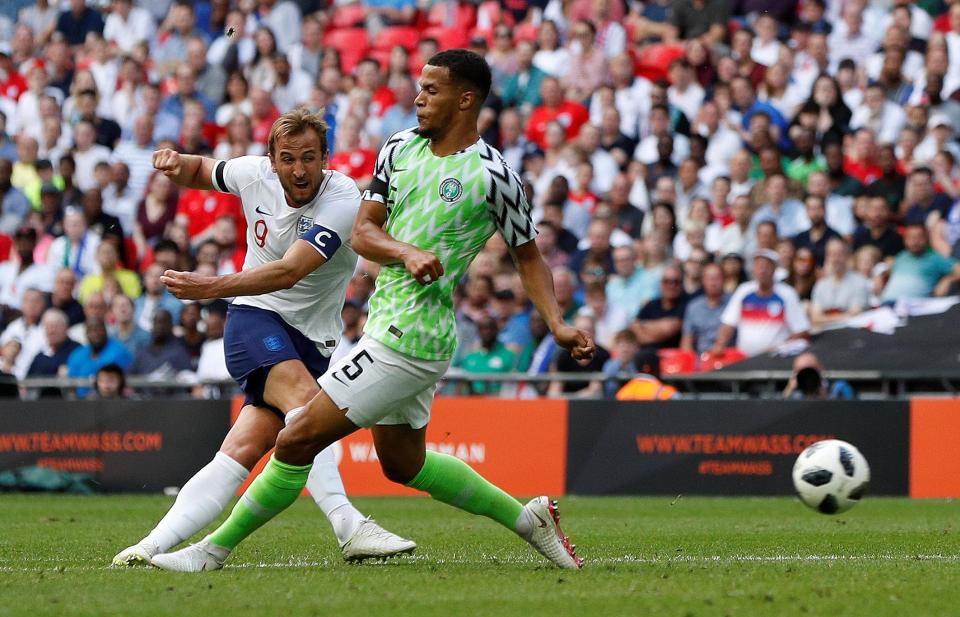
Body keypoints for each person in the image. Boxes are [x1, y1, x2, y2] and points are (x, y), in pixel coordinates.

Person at [150, 50, 593, 572]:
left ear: (466, 99)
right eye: (419, 87)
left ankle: (212, 551)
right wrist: (404, 251)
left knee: (297, 437)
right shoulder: (398, 148)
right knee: (403, 464)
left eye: (431, 89)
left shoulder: (496, 177)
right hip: (387, 321)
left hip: (413, 334)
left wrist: (558, 323)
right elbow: (363, 232)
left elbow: (528, 254)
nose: (418, 97)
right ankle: (529, 520)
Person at [114, 108, 413, 568]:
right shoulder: (253, 173)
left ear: (325, 158)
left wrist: (209, 287)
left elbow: (291, 270)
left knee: (240, 451)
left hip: (312, 343)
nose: (299, 169)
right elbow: (202, 170)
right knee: (311, 409)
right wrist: (177, 162)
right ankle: (348, 525)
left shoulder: (342, 198)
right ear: (272, 160)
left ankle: (148, 547)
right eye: (288, 158)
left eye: (309, 158)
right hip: (256, 318)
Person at [711, 249, 811, 358]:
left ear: (774, 269)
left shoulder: (787, 293)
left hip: (775, 359)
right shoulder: (744, 291)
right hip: (743, 359)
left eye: (766, 266)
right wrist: (720, 344)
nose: (762, 270)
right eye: (758, 266)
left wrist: (779, 347)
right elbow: (728, 323)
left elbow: (801, 330)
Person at [881, 225, 960, 303]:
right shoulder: (901, 256)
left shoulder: (935, 258)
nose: (915, 241)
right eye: (910, 237)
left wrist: (948, 279)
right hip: (886, 305)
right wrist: (880, 276)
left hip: (913, 308)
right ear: (905, 240)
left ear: (927, 239)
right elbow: (890, 273)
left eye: (919, 237)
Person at [810, 238, 871, 329]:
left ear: (847, 256)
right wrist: (843, 315)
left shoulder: (859, 282)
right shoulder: (820, 285)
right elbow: (815, 318)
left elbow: (855, 314)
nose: (835, 259)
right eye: (831, 254)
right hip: (824, 336)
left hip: (851, 333)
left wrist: (824, 317)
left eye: (839, 254)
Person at [680, 263, 729, 356]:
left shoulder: (733, 302)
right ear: (703, 281)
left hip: (728, 357)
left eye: (717, 278)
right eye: (709, 278)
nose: (713, 282)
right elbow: (686, 341)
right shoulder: (693, 307)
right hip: (701, 359)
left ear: (724, 280)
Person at [782, 352, 855, 400]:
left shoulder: (839, 387)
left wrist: (824, 395)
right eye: (802, 372)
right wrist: (788, 391)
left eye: (811, 371)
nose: (808, 378)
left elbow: (853, 409)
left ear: (820, 368)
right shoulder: (794, 393)